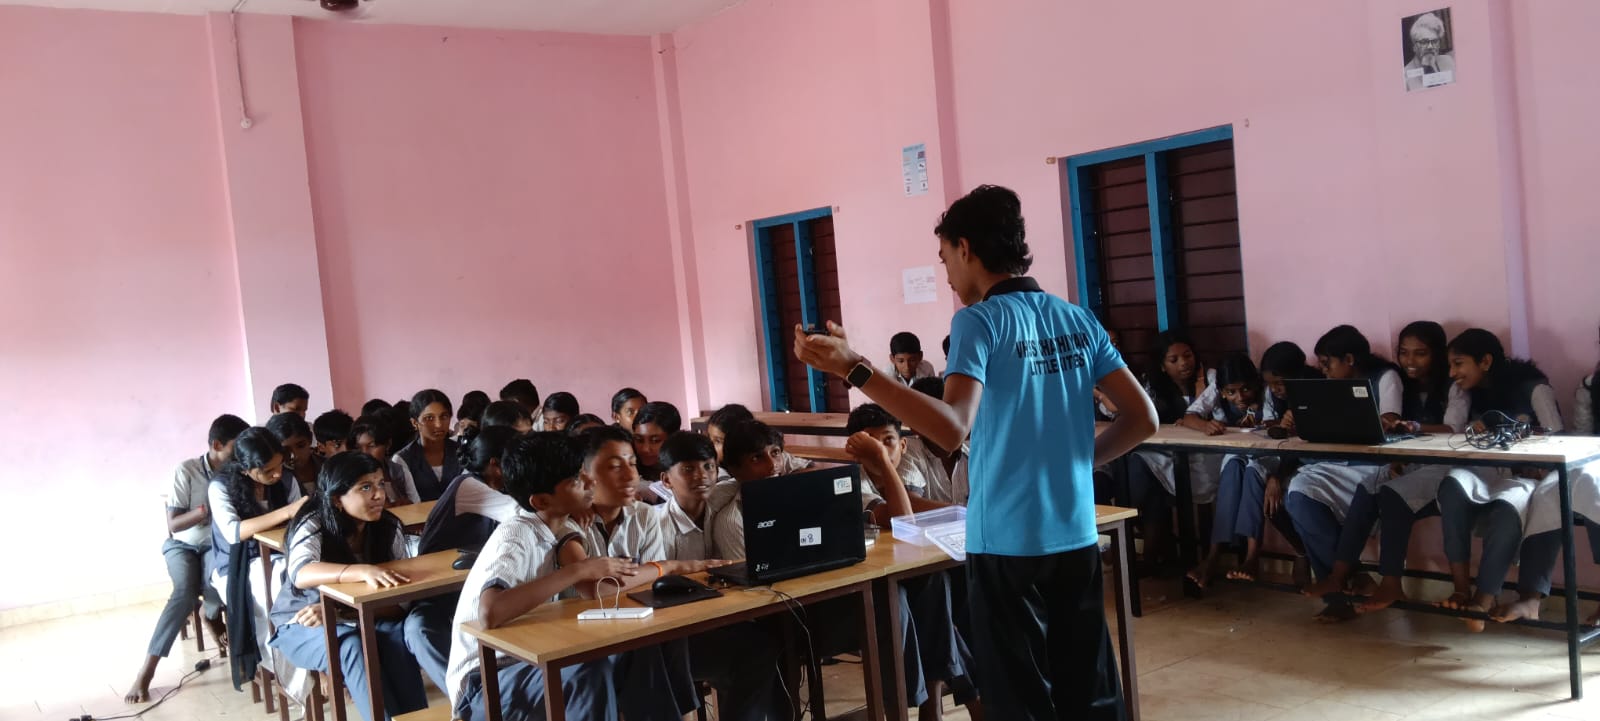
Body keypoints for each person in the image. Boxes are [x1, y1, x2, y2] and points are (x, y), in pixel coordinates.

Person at [793, 184, 1157, 720]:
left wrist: (855, 368)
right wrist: (1077, 464)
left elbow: (950, 428)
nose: (945, 274)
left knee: (1019, 699)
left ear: (965, 248)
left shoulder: (979, 321)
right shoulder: (1076, 318)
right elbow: (1143, 418)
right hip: (1076, 533)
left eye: (944, 258)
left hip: (1007, 543)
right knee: (1090, 690)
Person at [445, 433, 631, 721]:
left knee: (636, 652)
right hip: (484, 683)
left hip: (530, 660)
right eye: (576, 480)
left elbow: (598, 589)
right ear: (542, 500)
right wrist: (578, 570)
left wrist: (666, 568)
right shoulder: (516, 534)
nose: (590, 481)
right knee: (586, 672)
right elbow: (489, 612)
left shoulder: (557, 526)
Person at [267, 452, 431, 721]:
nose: (379, 495)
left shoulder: (388, 526)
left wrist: (340, 612)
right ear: (336, 499)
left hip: (365, 614)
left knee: (396, 639)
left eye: (380, 484)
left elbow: (401, 600)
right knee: (350, 645)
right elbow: (301, 572)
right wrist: (361, 571)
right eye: (365, 487)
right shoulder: (314, 523)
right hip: (302, 621)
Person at [1432, 329, 1564, 624]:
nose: (1452, 373)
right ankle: (1461, 590)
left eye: (1459, 364)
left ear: (1486, 362)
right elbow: (1457, 433)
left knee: (1507, 507)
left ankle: (1483, 599)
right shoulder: (1465, 391)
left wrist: (1523, 447)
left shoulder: (1534, 389)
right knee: (1451, 486)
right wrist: (1476, 429)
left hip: (1525, 475)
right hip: (1484, 468)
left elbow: (1557, 439)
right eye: (1450, 365)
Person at [124, 414, 250, 704]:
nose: (240, 453)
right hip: (182, 546)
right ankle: (147, 670)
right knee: (184, 593)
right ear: (217, 445)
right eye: (235, 446)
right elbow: (174, 524)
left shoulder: (237, 471)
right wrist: (206, 510)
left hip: (214, 547)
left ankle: (210, 614)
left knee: (224, 580)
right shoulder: (187, 470)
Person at [1287, 325, 1406, 621]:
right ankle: (1355, 574)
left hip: (1375, 464)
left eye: (1327, 363)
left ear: (1349, 359)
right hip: (1338, 463)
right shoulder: (1329, 386)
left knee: (1367, 490)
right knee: (1298, 494)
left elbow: (1389, 421)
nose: (1324, 371)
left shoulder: (1386, 377)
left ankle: (1338, 596)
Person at [1123, 330, 1214, 567]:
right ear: (1163, 366)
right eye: (1174, 360)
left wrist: (1200, 394)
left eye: (1188, 355)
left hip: (1205, 456)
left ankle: (1132, 522)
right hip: (1167, 455)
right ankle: (1150, 552)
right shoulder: (1154, 386)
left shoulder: (1210, 378)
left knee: (1147, 478)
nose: (1184, 363)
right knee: (1141, 465)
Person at [1183, 355, 1269, 590]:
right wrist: (1205, 425)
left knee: (1252, 475)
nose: (1239, 397)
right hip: (1235, 453)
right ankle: (1213, 557)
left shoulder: (1267, 391)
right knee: (1230, 474)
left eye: (1246, 389)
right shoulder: (1215, 389)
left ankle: (1252, 556)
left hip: (1265, 455)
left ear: (1256, 384)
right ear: (1221, 391)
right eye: (1231, 392)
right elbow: (1190, 416)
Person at [391, 390, 459, 504]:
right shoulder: (403, 460)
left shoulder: (461, 450)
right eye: (429, 418)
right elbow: (413, 504)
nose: (438, 424)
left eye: (444, 416)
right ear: (414, 423)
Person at [632, 401, 681, 493]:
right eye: (639, 440)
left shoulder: (686, 465)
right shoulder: (629, 467)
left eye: (655, 441)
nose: (645, 449)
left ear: (673, 438)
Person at [268, 412, 319, 498]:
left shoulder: (329, 466)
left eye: (301, 446)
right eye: (285, 450)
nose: (294, 455)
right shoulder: (273, 478)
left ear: (310, 439)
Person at [1404, 11, 1455, 91]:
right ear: (1414, 46)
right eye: (1424, 42)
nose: (1430, 46)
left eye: (1434, 41)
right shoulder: (1405, 75)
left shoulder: (1448, 61)